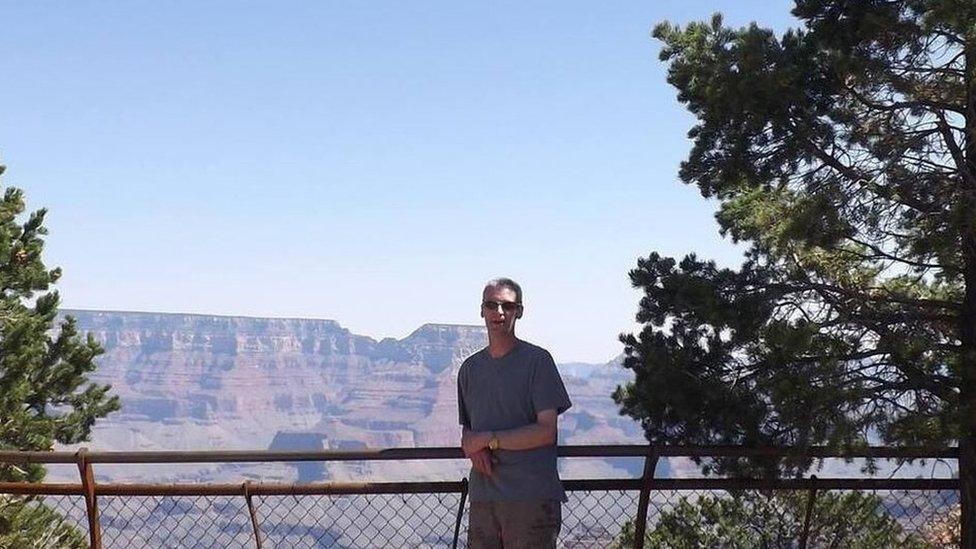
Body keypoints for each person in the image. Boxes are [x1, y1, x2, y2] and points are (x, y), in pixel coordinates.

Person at [457, 277, 572, 548]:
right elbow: (469, 431)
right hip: (484, 496)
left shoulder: (538, 362)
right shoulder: (470, 370)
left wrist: (489, 440)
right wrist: (473, 447)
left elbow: (546, 431)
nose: (499, 312)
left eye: (507, 306)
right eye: (491, 305)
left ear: (519, 311)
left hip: (530, 497)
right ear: (481, 310)